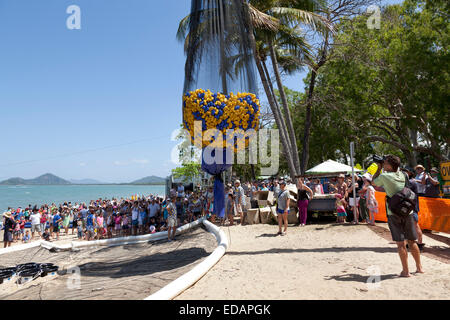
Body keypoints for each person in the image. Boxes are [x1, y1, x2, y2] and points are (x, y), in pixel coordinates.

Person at [373, 155, 424, 277]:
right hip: (408, 211)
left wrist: (379, 168)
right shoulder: (403, 174)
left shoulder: (385, 176)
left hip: (394, 213)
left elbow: (373, 182)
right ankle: (419, 268)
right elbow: (397, 169)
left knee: (401, 243)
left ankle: (406, 271)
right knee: (412, 241)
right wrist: (384, 164)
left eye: (385, 163)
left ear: (389, 165)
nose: (384, 164)